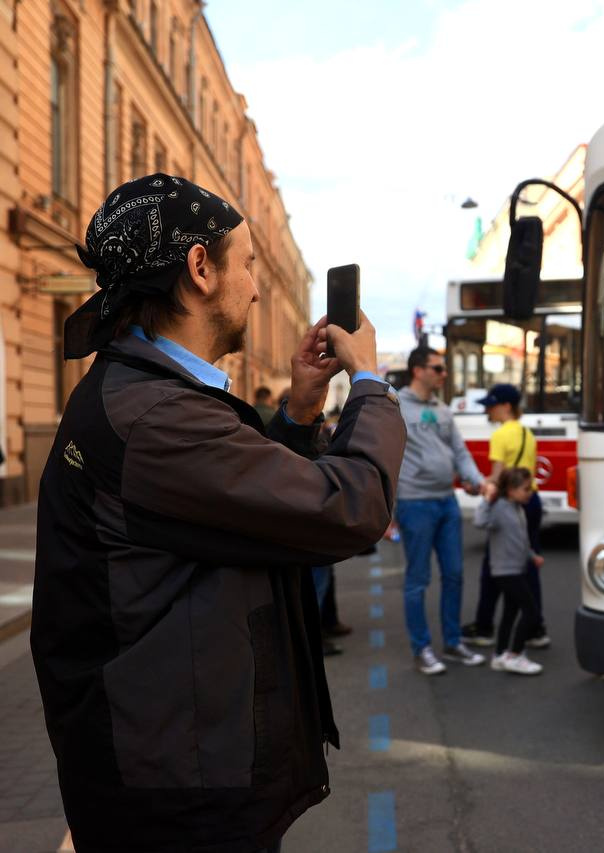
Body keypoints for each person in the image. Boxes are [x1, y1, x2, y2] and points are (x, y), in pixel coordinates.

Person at [30, 173, 406, 853]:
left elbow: (237, 503)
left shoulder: (148, 393)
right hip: (180, 792)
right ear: (200, 269)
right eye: (249, 263)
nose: (258, 287)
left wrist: (296, 413)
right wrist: (372, 385)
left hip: (170, 762)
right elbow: (348, 508)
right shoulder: (157, 415)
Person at [395, 345, 487, 674]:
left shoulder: (443, 410)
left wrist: (475, 479)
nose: (444, 374)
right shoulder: (394, 407)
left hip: (447, 501)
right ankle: (421, 648)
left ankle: (452, 641)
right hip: (414, 503)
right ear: (418, 370)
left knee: (455, 574)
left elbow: (459, 451)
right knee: (418, 579)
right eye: (438, 368)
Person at [462, 383, 548, 648]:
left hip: (508, 505)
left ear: (506, 407)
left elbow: (497, 479)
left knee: (493, 568)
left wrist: (477, 488)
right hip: (531, 501)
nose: (488, 410)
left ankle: (485, 626)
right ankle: (536, 626)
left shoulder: (500, 436)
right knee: (527, 563)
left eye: (492, 405)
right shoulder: (526, 433)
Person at [474, 468, 545, 675]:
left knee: (510, 613)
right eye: (525, 489)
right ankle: (514, 655)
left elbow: (521, 539)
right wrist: (487, 499)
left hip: (517, 568)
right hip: (505, 571)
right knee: (531, 611)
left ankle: (499, 655)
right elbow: (479, 521)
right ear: (511, 490)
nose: (530, 492)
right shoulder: (499, 508)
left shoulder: (517, 508)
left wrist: (532, 556)